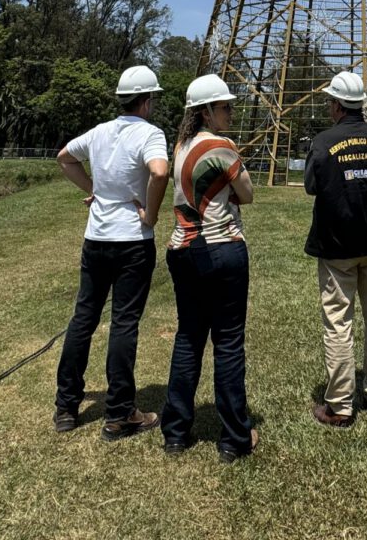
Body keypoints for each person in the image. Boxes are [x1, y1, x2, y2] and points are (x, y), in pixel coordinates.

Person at [53, 64, 170, 439]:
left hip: (96, 239)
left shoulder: (101, 132)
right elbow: (160, 171)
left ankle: (66, 407)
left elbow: (64, 157)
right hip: (133, 242)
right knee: (123, 323)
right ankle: (120, 413)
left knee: (83, 318)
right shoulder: (150, 134)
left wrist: (92, 189)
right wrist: (150, 214)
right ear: (148, 100)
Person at [160, 74, 259, 462]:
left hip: (182, 249)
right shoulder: (222, 146)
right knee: (229, 342)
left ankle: (175, 433)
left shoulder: (181, 146)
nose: (230, 112)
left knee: (188, 338)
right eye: (225, 107)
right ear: (206, 111)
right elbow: (247, 194)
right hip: (222, 249)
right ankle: (235, 437)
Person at [304, 71, 367, 427]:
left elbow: (311, 187)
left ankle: (340, 404)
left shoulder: (324, 142)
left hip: (338, 247)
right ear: (361, 104)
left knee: (337, 321)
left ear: (336, 105)